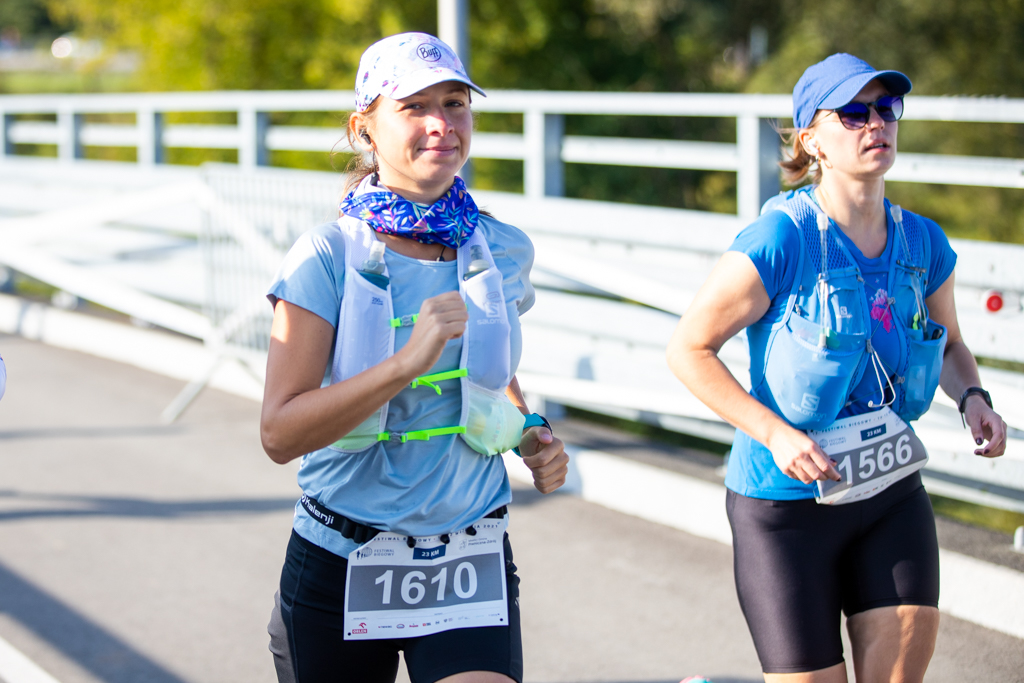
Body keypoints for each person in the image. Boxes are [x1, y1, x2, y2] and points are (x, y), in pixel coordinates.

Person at [666, 53, 1007, 682]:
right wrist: (776, 434)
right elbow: (688, 350)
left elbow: (951, 345)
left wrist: (974, 399)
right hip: (786, 508)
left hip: (890, 492)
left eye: (886, 108)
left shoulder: (923, 243)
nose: (875, 123)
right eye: (852, 112)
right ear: (811, 140)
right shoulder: (781, 240)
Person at [261, 32, 568, 683]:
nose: (441, 124)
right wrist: (403, 364)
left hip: (469, 554)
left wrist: (531, 433)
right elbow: (280, 434)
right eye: (414, 107)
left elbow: (492, 368)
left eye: (455, 104)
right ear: (364, 128)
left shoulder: (501, 248)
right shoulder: (326, 256)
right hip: (343, 556)